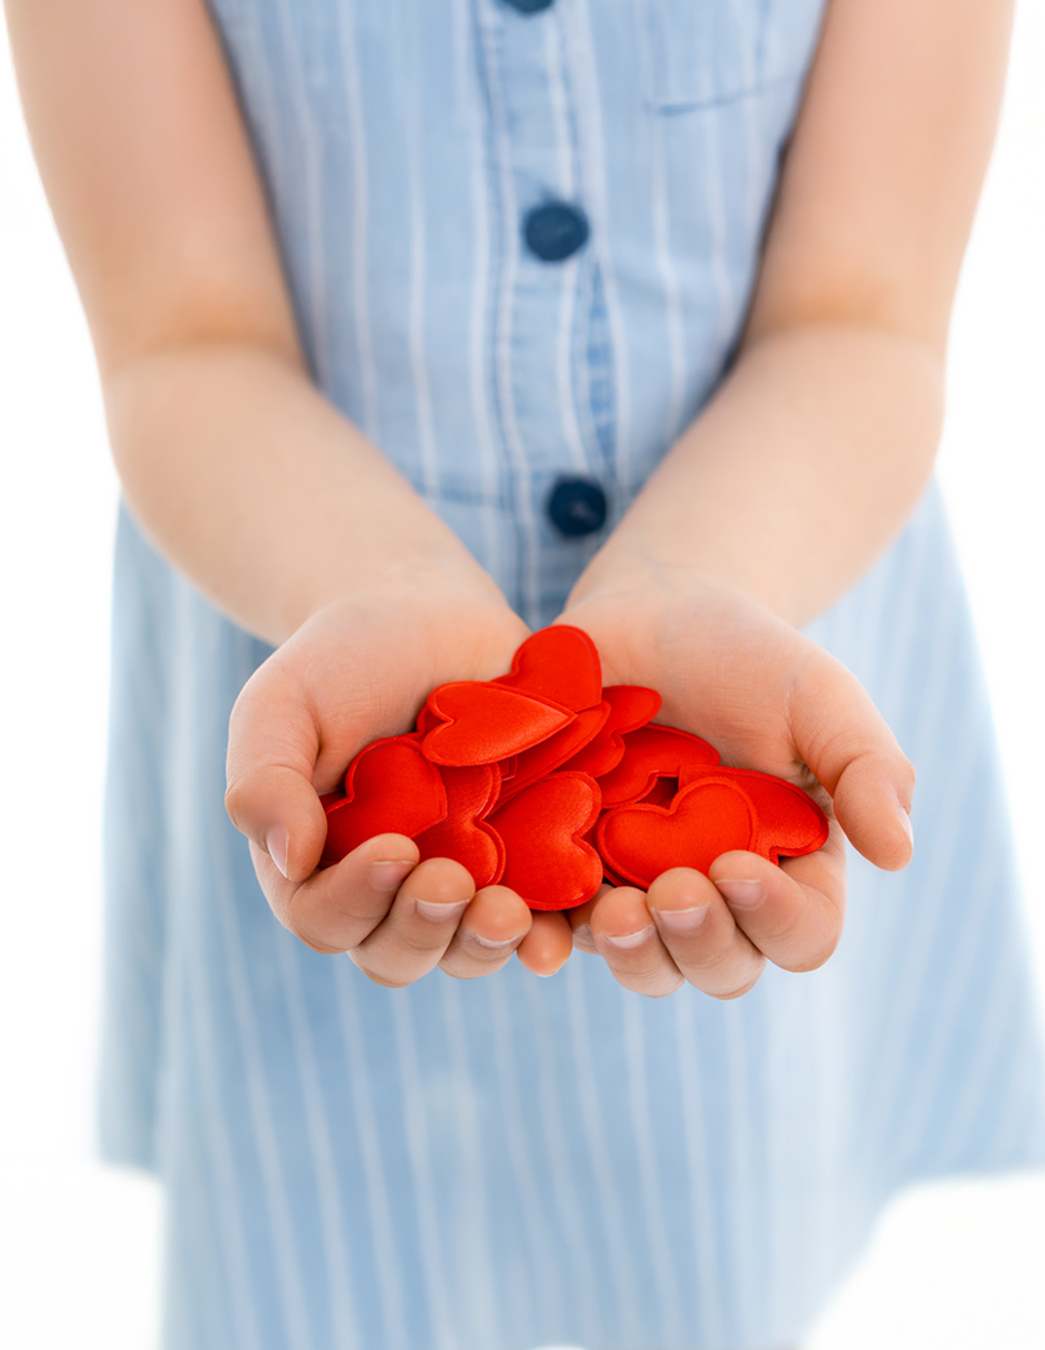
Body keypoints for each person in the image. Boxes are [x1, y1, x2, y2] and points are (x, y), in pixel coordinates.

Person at [6, 0, 1045, 1346]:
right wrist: (369, 579)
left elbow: (860, 314)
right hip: (308, 635)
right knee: (329, 1273)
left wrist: (700, 575)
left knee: (706, 1269)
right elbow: (185, 336)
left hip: (767, 603)